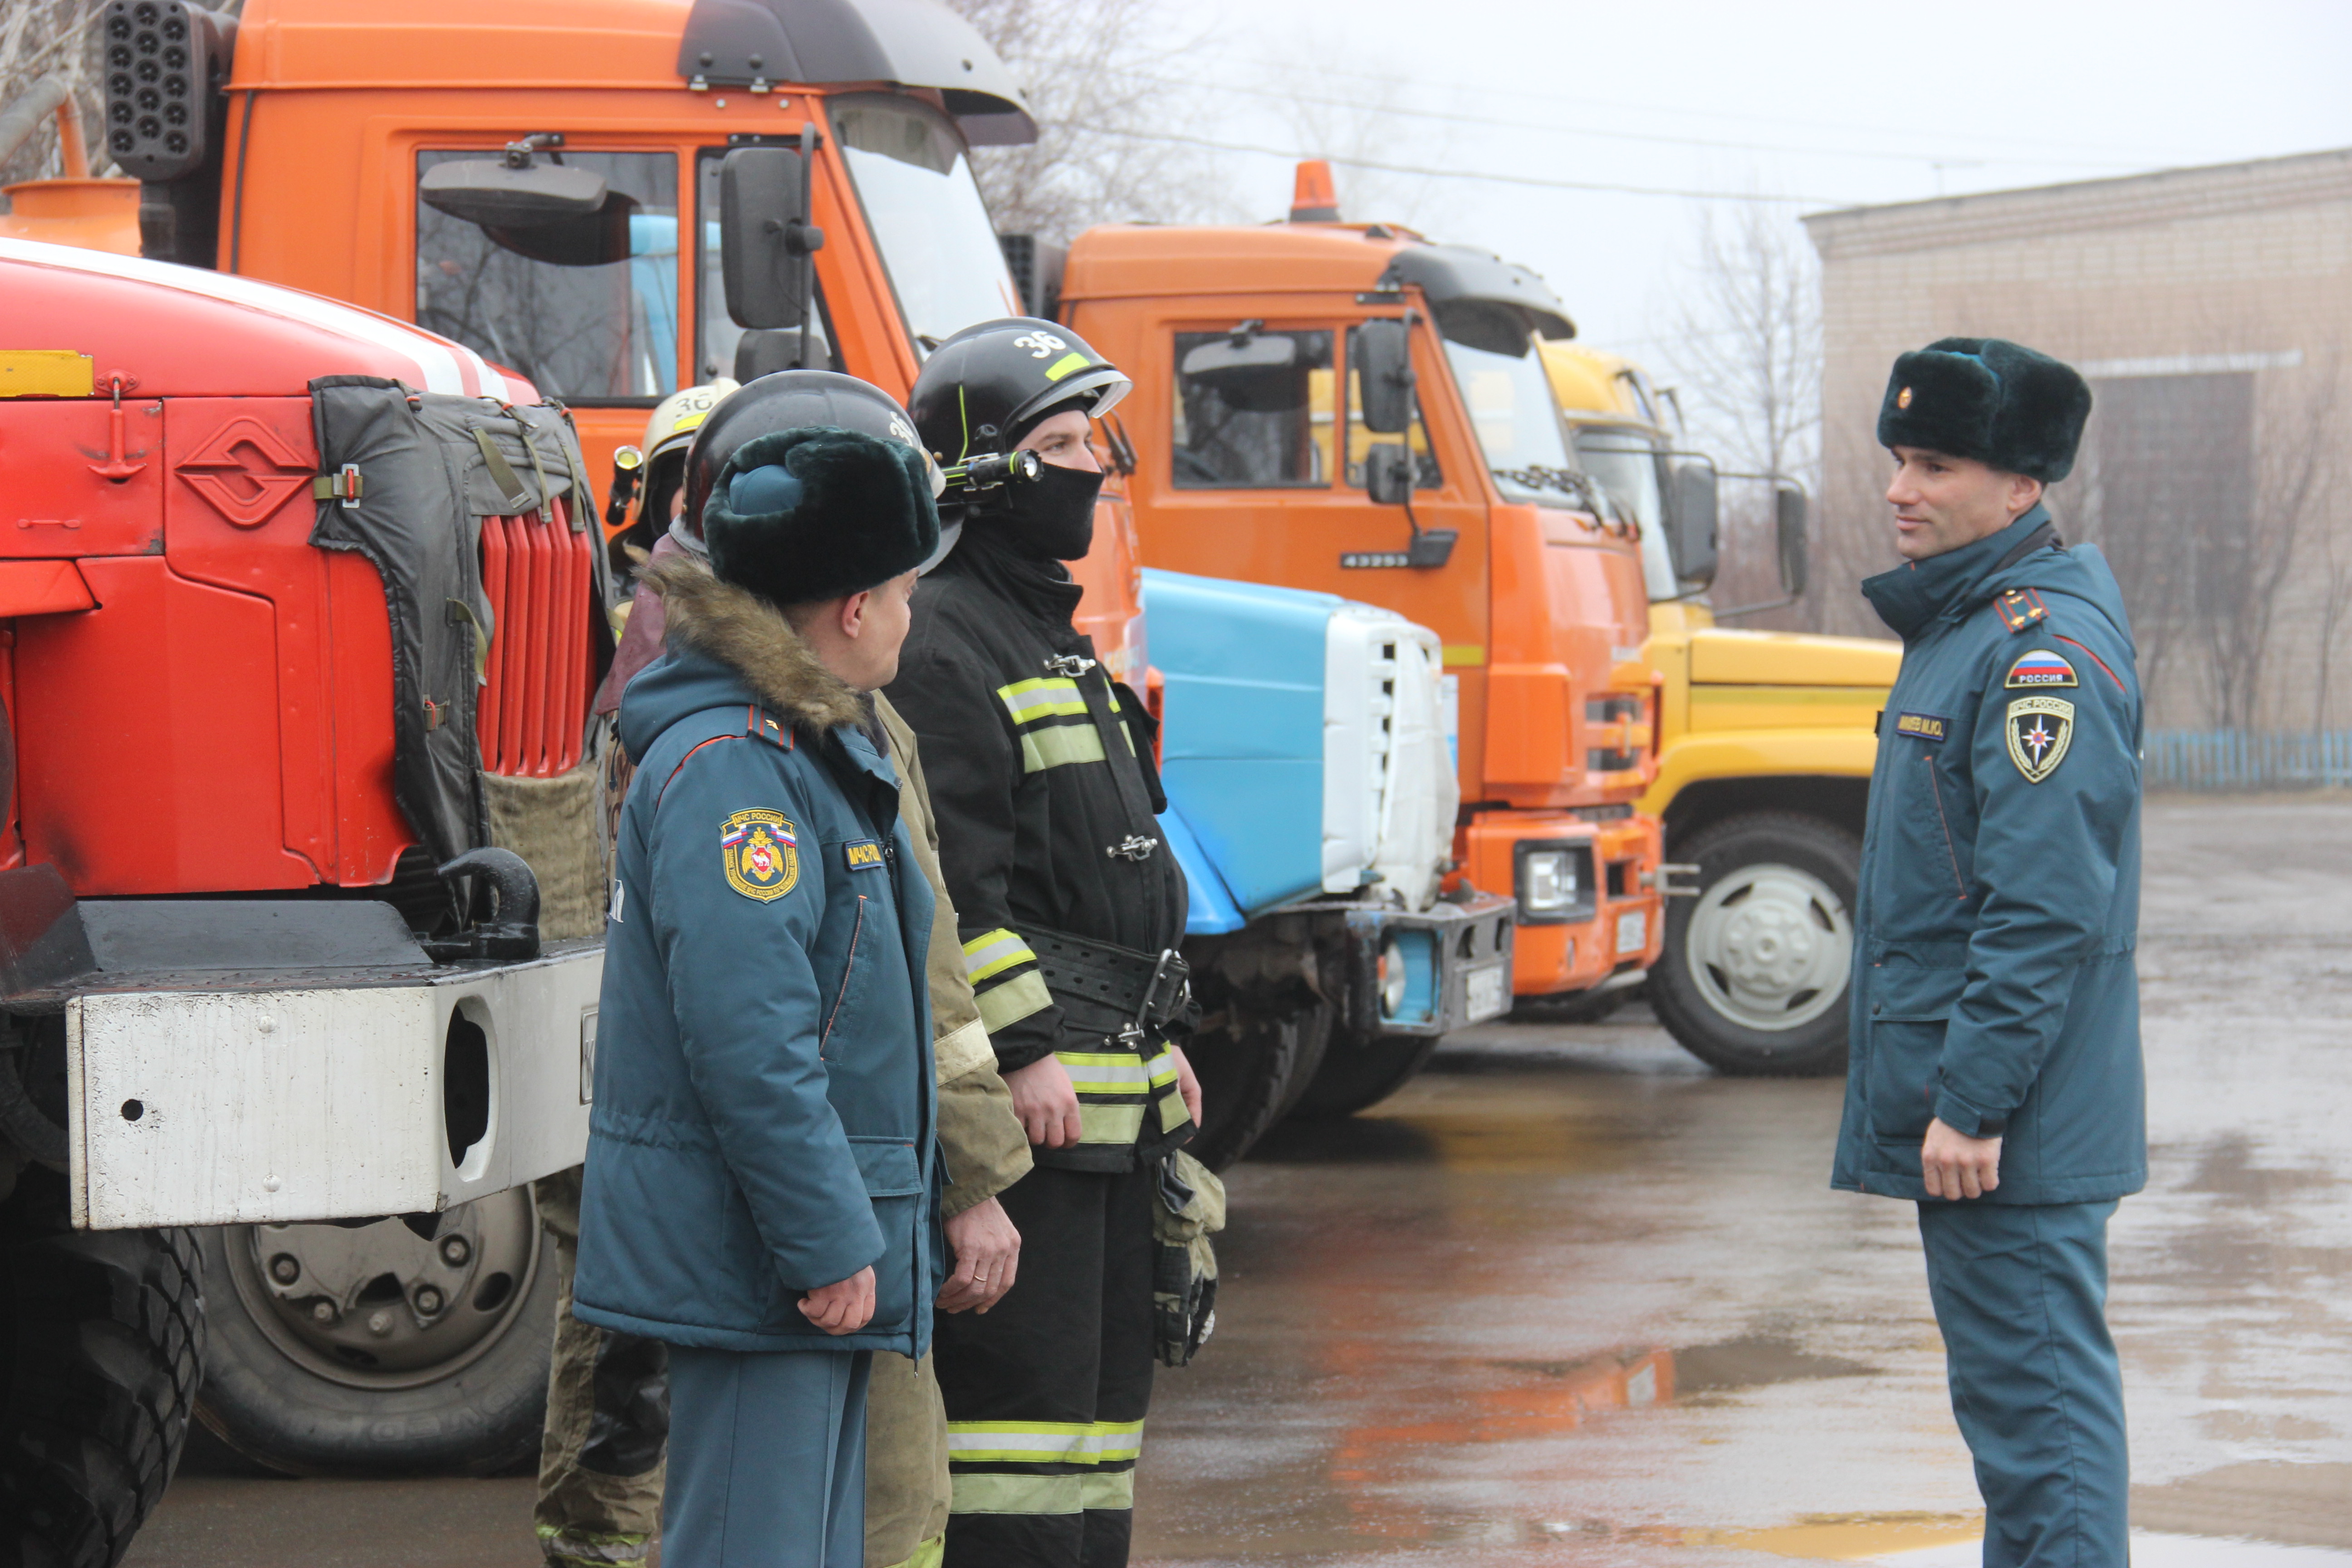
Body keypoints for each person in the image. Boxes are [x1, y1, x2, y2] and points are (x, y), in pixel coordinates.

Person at [541, 374, 1036, 1568]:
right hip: (768, 1265)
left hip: (805, 1256)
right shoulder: (732, 766)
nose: (919, 619)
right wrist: (826, 1243)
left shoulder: (806, 748)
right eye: (912, 594)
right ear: (856, 607)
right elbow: (750, 1037)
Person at [883, 319, 1202, 1568]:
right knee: (1014, 1445)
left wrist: (1163, 1038)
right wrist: (1017, 1053)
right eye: (1061, 444)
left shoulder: (1054, 640)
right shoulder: (944, 642)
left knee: (1099, 1434)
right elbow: (960, 886)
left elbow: (1110, 871)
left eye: (1093, 443)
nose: (1092, 468)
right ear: (982, 470)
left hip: (1117, 1108)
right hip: (1041, 1116)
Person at [1833, 337, 2143, 1565]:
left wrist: (1971, 1102)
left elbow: (2043, 906)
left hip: (2009, 1127)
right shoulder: (1969, 623)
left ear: (2023, 485)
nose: (1902, 488)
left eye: (1936, 463)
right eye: (1900, 459)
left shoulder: (2036, 650)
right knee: (2021, 1428)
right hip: (1993, 1117)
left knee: (2045, 1433)